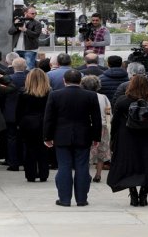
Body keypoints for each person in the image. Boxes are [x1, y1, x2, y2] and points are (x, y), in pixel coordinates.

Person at [43, 70, 101, 207]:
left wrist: (47, 136)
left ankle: (64, 199)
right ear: (80, 81)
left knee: (64, 166)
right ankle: (81, 199)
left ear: (64, 80)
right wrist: (96, 137)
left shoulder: (55, 95)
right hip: (83, 135)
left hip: (62, 135)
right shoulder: (91, 95)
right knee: (82, 167)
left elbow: (49, 118)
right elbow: (96, 119)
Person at [107, 75, 148, 207]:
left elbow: (115, 122)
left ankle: (133, 193)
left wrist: (113, 139)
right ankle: (144, 194)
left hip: (127, 137)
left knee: (130, 165)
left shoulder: (122, 101)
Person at [15, 68, 51, 182]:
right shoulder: (49, 92)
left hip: (27, 123)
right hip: (44, 122)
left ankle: (30, 174)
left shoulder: (23, 92)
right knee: (44, 148)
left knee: (29, 149)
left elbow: (18, 111)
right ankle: (43, 173)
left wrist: (18, 123)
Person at [80, 75, 112, 183]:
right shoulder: (103, 97)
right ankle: (98, 174)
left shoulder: (82, 96)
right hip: (102, 126)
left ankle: (86, 173)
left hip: (87, 126)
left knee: (87, 151)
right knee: (101, 151)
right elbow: (108, 112)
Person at [3, 58, 28, 171]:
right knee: (25, 139)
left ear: (12, 67)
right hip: (25, 113)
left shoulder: (9, 79)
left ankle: (13, 163)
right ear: (25, 66)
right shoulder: (29, 78)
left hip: (11, 112)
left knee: (11, 138)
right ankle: (25, 160)